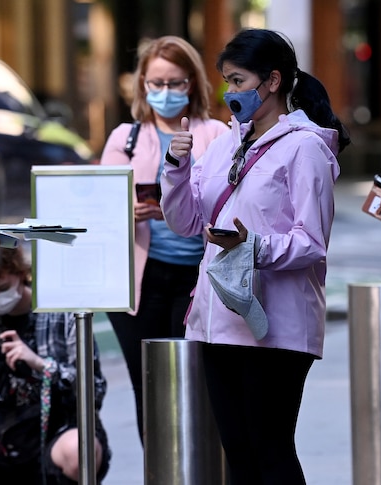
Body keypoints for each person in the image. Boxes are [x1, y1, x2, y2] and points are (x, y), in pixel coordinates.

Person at [161, 28, 349, 483]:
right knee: (239, 455)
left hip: (276, 326)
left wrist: (253, 248)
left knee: (271, 451)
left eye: (239, 80)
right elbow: (187, 222)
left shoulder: (305, 148)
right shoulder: (225, 143)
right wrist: (176, 166)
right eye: (227, 81)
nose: (231, 92)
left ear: (273, 81)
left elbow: (311, 242)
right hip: (218, 320)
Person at [99, 35, 228, 441]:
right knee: (150, 390)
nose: (166, 92)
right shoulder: (127, 138)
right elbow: (100, 207)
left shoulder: (217, 135)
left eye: (175, 82)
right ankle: (159, 471)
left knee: (200, 387)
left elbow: (230, 202)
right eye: (156, 83)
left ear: (192, 83)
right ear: (142, 85)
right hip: (140, 282)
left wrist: (180, 208)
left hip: (200, 279)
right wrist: (127, 209)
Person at [0, 246, 111, 484]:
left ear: (21, 274)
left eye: (3, 288)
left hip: (61, 427)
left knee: (76, 451)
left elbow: (95, 389)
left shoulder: (61, 314)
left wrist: (40, 364)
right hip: (4, 435)